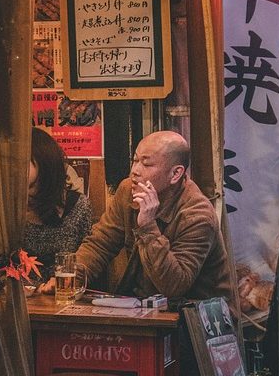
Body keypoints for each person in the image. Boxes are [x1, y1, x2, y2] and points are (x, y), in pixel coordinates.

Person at [40, 130, 234, 304]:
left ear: (176, 174)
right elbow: (100, 243)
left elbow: (174, 287)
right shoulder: (128, 190)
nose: (135, 170)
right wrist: (73, 276)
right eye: (135, 160)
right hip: (142, 305)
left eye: (146, 164)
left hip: (197, 319)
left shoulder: (197, 215)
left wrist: (148, 226)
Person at [22, 128, 92, 283]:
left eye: (24, 160)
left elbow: (90, 257)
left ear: (45, 163)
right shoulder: (4, 207)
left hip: (63, 296)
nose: (16, 168)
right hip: (18, 298)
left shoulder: (77, 206)